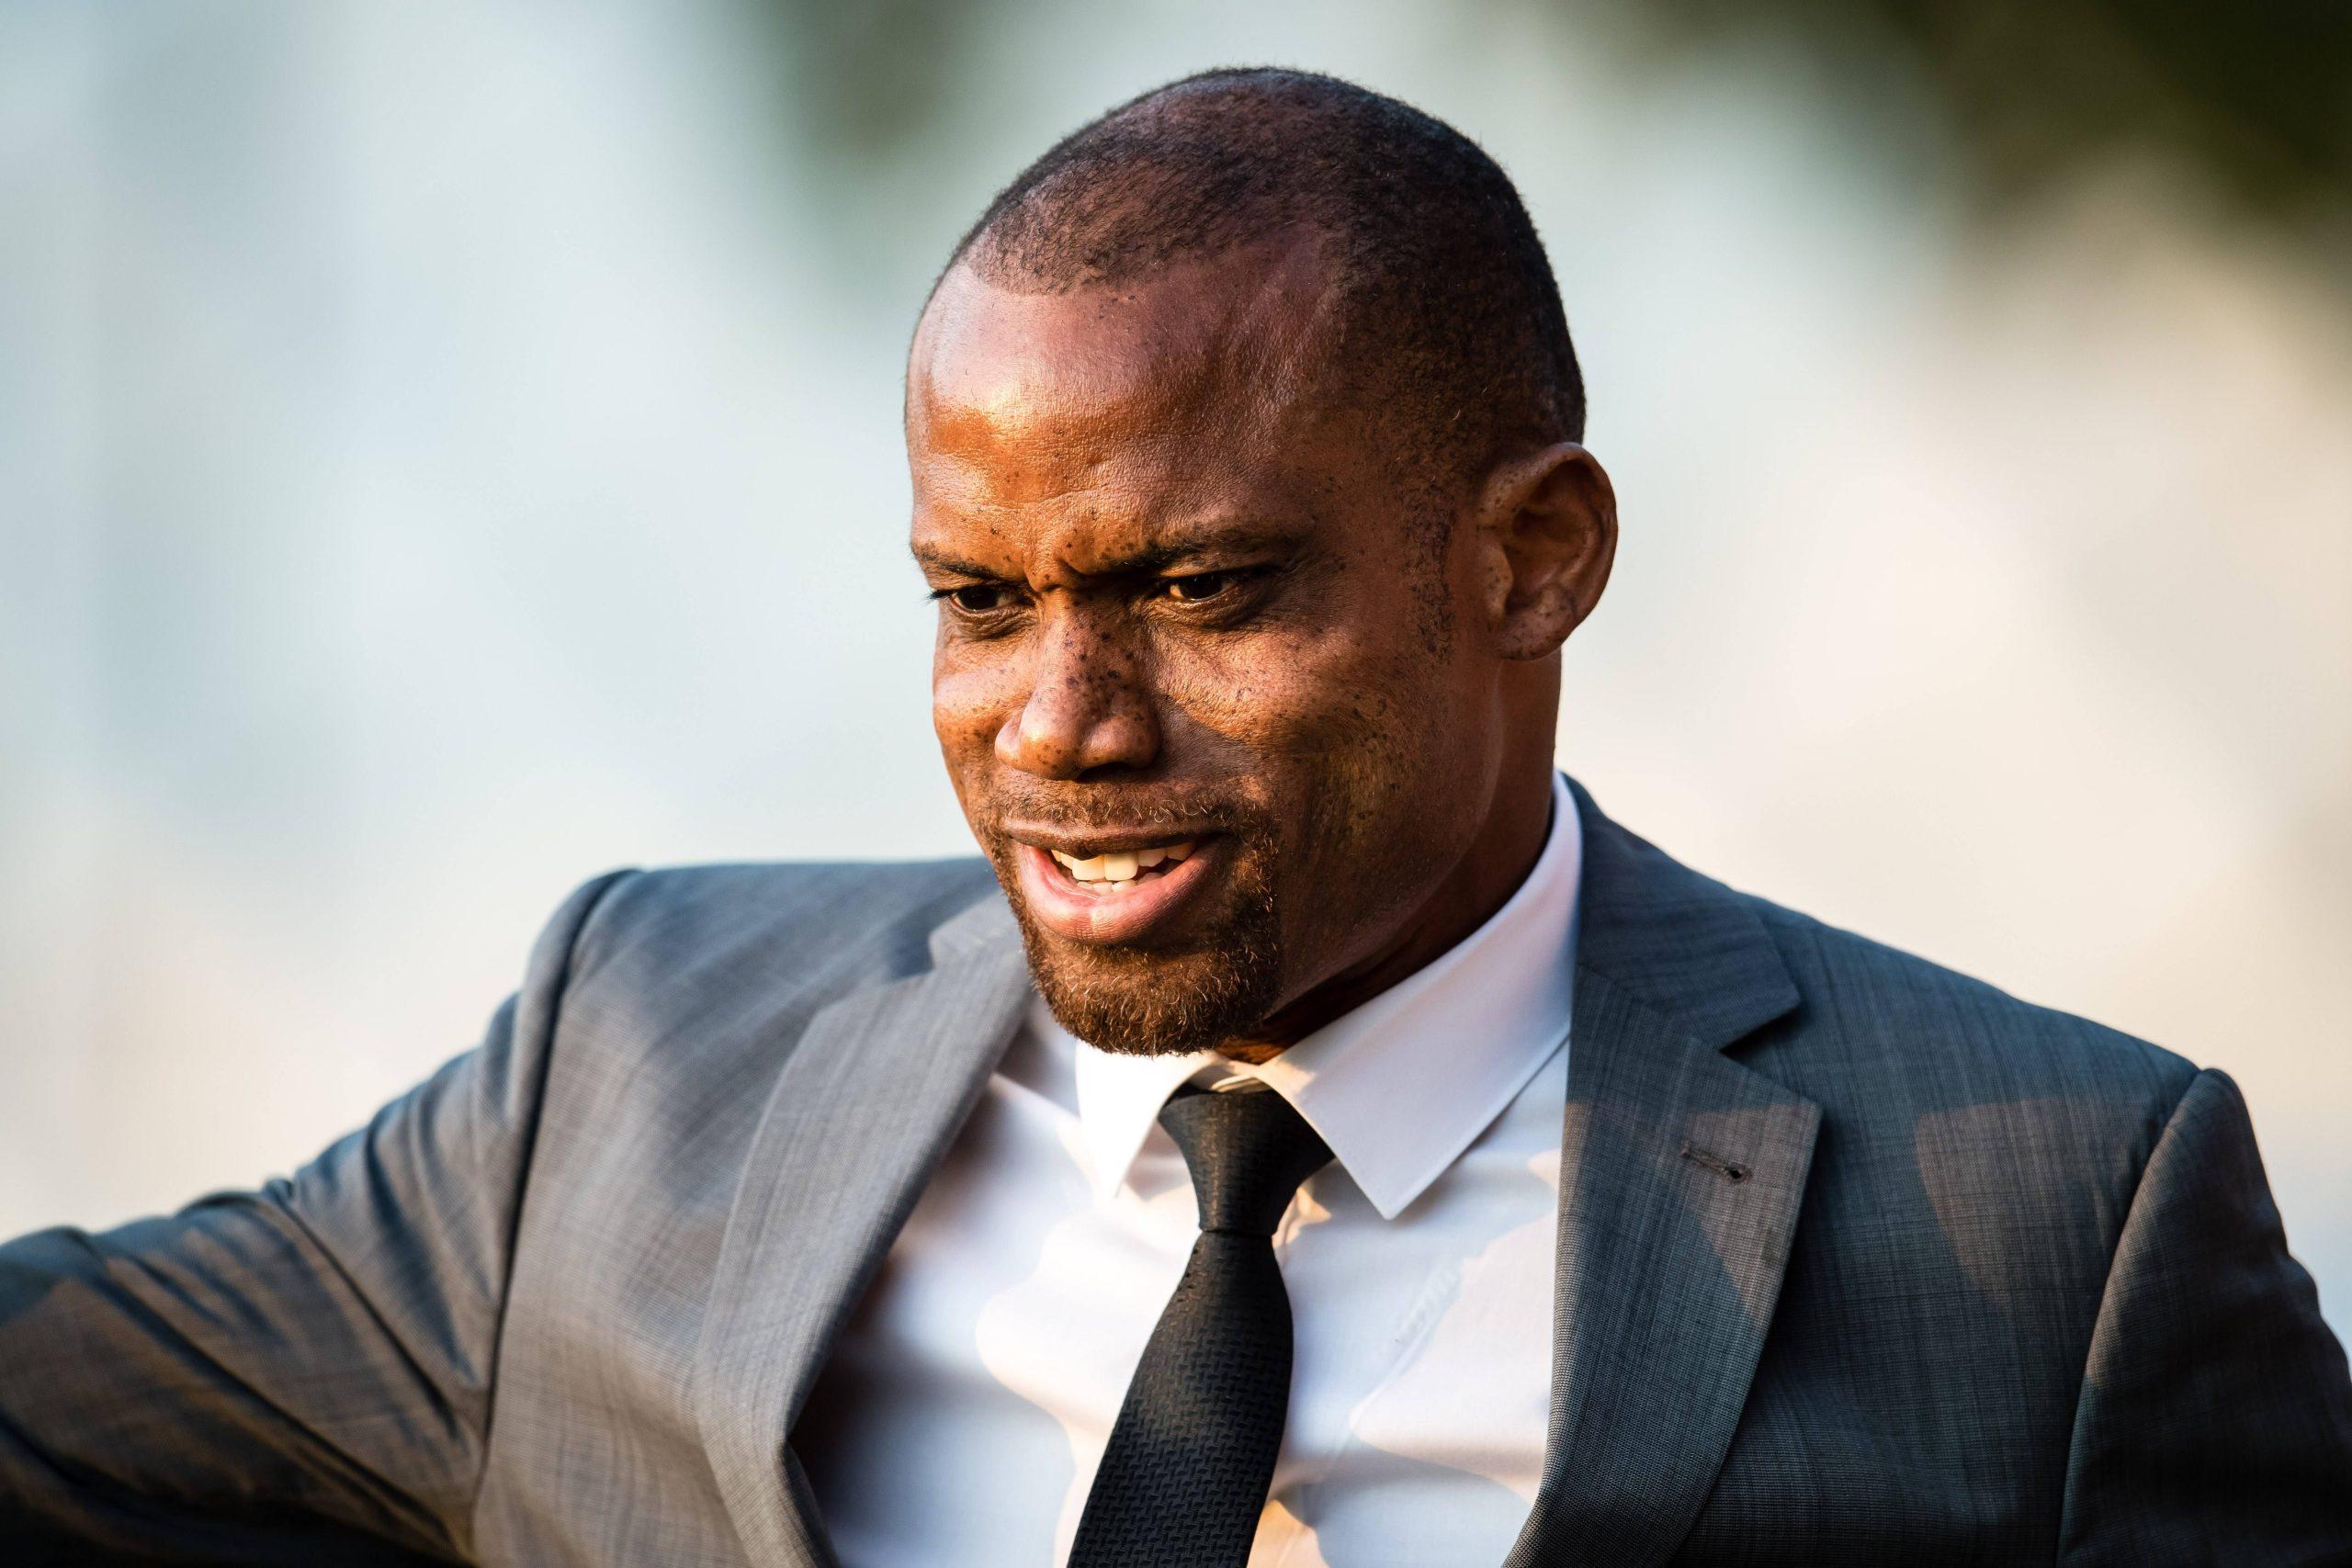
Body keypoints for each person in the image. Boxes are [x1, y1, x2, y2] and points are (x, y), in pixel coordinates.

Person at [4, 65, 2347, 1568]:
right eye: (974, 596)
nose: (1058, 721)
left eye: (1199, 588)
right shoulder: (631, 1055)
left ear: (1533, 556)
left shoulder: (2060, 1215)